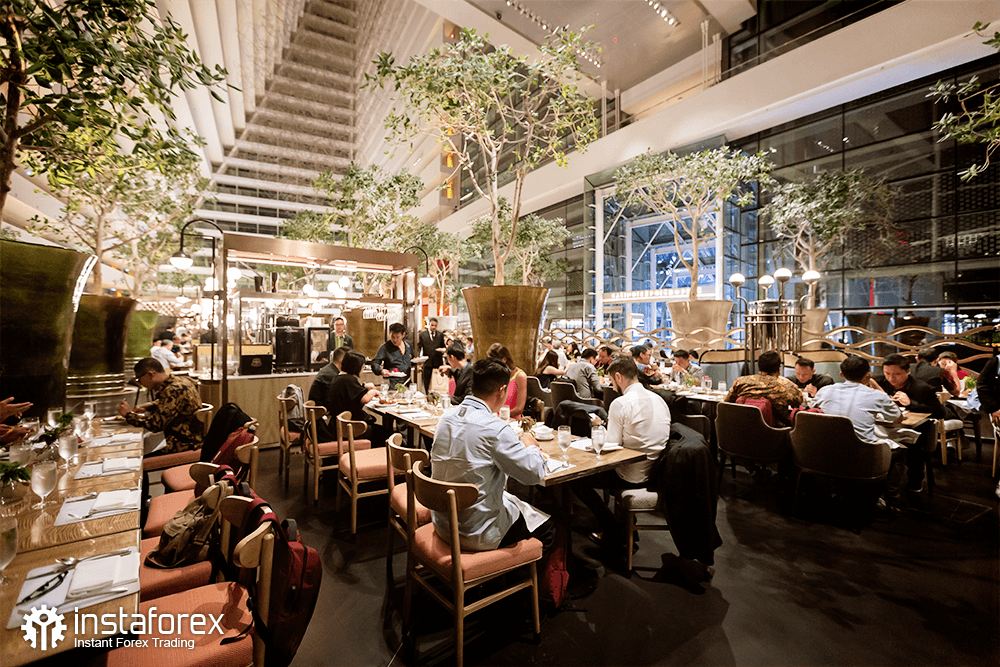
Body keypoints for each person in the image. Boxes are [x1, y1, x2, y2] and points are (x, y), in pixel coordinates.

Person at [430, 358, 554, 554]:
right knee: (548, 529)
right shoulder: (495, 428)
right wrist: (531, 447)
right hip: (476, 532)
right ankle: (510, 572)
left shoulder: (445, 418)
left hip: (443, 523)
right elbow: (533, 474)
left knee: (512, 501)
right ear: (501, 390)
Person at [570, 355, 669, 556]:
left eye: (612, 381)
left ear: (618, 377)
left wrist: (599, 426)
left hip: (631, 474)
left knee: (576, 480)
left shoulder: (621, 403)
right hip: (657, 472)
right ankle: (623, 525)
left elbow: (610, 446)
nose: (612, 386)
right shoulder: (659, 400)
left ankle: (611, 527)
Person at [812, 355, 915, 504]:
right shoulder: (876, 395)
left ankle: (837, 486)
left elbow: (812, 408)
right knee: (901, 450)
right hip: (861, 456)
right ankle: (888, 497)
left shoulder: (825, 390)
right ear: (868, 376)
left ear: (842, 374)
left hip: (823, 453)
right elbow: (897, 418)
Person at [874, 353, 945, 494]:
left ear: (908, 371)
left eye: (897, 374)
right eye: (887, 373)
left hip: (915, 431)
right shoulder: (879, 383)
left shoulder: (922, 388)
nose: (891, 378)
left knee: (913, 448)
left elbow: (940, 412)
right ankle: (877, 482)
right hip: (884, 428)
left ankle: (915, 480)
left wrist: (911, 403)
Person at [118, 358, 203, 455]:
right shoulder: (181, 381)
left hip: (182, 443)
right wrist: (149, 405)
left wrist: (129, 415)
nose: (140, 383)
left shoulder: (173, 390)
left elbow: (155, 425)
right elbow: (170, 403)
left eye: (139, 379)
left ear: (150, 374)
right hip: (185, 437)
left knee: (133, 452)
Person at [724, 350, 803, 427]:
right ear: (779, 370)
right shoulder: (788, 386)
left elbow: (727, 403)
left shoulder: (740, 382)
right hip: (775, 432)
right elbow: (798, 403)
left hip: (742, 429)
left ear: (759, 367)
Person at [328, 351, 383, 443]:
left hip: (338, 425)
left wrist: (364, 386)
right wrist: (373, 392)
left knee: (379, 429)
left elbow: (353, 392)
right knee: (385, 433)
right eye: (362, 367)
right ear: (355, 367)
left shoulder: (339, 377)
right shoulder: (348, 379)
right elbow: (364, 399)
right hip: (348, 428)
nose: (363, 369)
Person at [487, 343, 527, 417]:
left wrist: (500, 416)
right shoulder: (494, 375)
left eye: (494, 362)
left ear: (504, 359)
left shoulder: (520, 376)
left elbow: (519, 409)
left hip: (512, 420)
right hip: (493, 418)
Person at [308, 346, 350, 414]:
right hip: (323, 415)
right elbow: (336, 401)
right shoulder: (331, 375)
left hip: (322, 411)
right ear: (342, 360)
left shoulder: (330, 369)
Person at [418, 317, 446, 393]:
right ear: (429, 325)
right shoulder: (422, 335)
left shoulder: (440, 335)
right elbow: (419, 347)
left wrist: (443, 350)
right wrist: (418, 356)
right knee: (426, 382)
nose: (434, 327)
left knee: (437, 383)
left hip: (438, 362)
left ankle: (437, 396)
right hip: (427, 362)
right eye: (432, 325)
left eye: (435, 325)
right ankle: (427, 395)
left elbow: (443, 346)